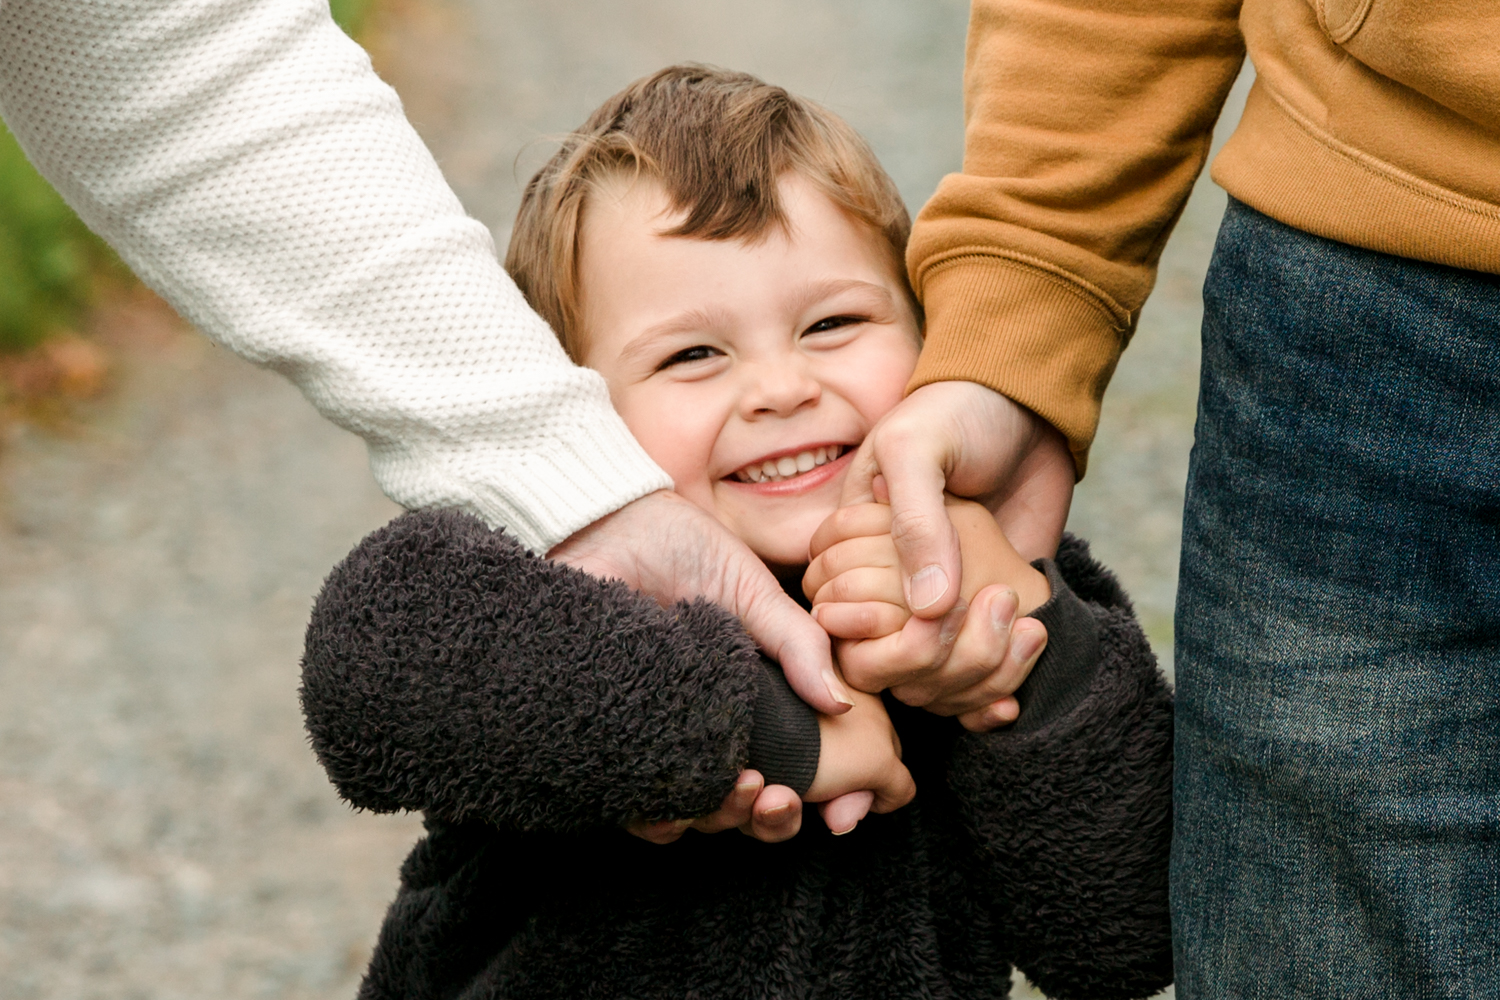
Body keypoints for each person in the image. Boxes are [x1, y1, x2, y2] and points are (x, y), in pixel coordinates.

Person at [300, 66, 1175, 1000]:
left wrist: (1023, 650)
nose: (783, 388)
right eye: (693, 354)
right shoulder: (550, 571)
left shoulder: (984, 575)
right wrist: (758, 725)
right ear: (573, 405)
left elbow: (1121, 941)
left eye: (833, 323)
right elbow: (366, 667)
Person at [843, 1, 1499, 995]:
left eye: (829, 325)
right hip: (1365, 300)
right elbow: (1114, 929)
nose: (777, 392)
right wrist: (1025, 299)